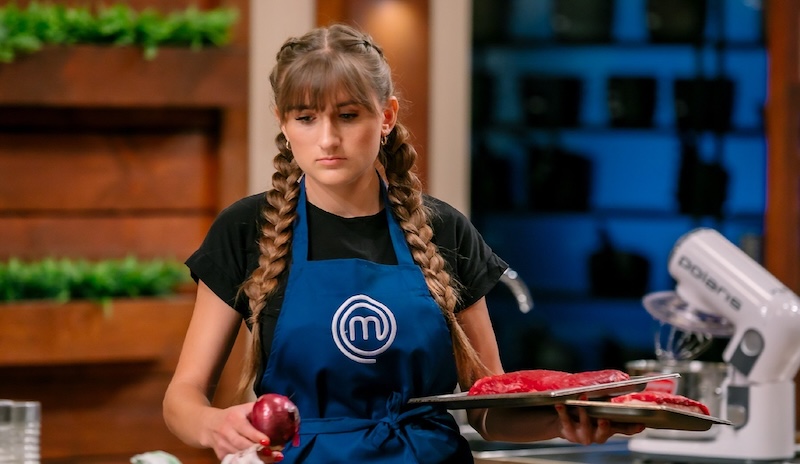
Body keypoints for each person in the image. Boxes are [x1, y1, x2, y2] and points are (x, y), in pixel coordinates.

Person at [162, 23, 645, 463]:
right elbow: (182, 398)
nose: (328, 139)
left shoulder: (444, 229)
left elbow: (487, 408)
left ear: (386, 116)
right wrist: (213, 424)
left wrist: (563, 423)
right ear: (283, 123)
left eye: (348, 115)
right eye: (306, 118)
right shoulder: (247, 228)